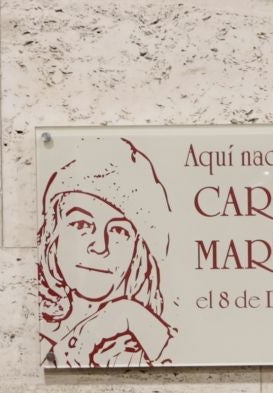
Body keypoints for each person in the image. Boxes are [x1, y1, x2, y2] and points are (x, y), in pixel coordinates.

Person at [37, 136, 176, 366]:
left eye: (119, 230)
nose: (100, 246)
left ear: (137, 251)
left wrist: (130, 316)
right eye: (81, 224)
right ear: (53, 235)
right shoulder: (35, 339)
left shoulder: (146, 344)